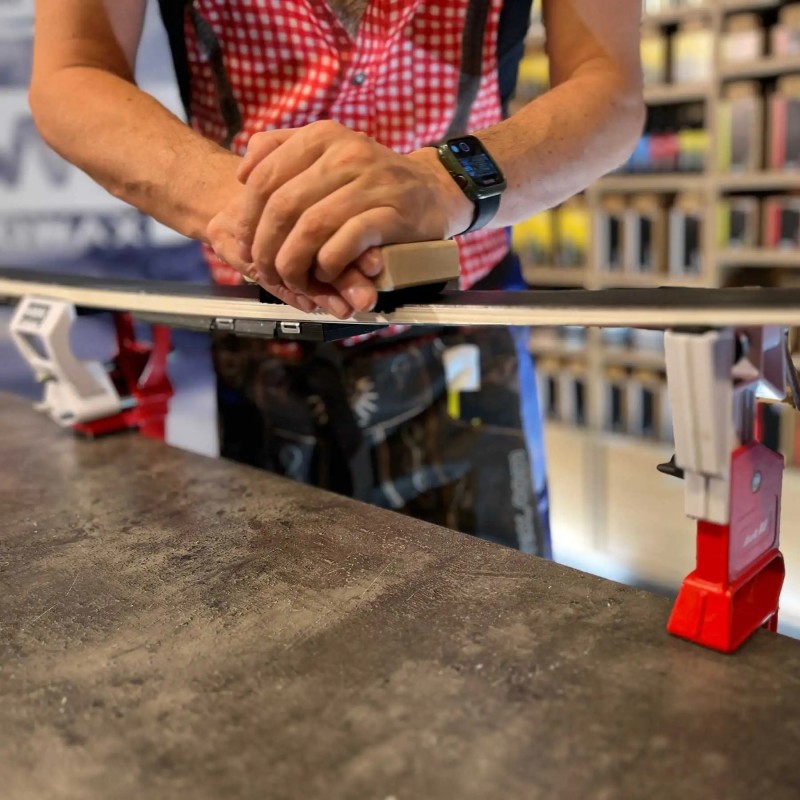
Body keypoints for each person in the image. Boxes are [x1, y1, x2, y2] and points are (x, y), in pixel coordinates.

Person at [29, 0, 644, 557]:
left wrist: (441, 183)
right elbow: (73, 71)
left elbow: (607, 85)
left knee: (499, 613)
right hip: (263, 333)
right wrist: (252, 210)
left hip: (465, 330)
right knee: (284, 616)